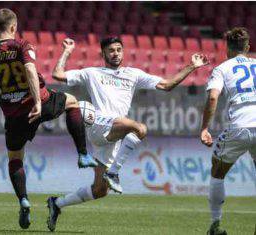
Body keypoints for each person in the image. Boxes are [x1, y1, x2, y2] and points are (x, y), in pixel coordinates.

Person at [46, 36, 209, 231]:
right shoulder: (92, 73)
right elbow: (57, 74)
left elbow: (166, 85)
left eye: (118, 50)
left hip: (112, 134)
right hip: (99, 123)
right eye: (111, 50)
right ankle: (114, 173)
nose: (116, 53)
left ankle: (57, 203)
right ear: (103, 53)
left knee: (99, 190)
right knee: (139, 128)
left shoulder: (133, 74)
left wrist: (191, 66)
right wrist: (67, 52)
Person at [0, 8, 97, 230]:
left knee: (15, 158)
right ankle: (83, 154)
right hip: (38, 102)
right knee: (72, 102)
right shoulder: (22, 45)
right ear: (13, 27)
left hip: (14, 114)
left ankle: (23, 200)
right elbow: (30, 70)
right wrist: (38, 102)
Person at [201, 27, 256, 235]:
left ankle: (215, 225)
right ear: (248, 47)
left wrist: (204, 127)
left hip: (240, 126)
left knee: (217, 171)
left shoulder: (223, 68)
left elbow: (213, 97)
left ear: (227, 48)